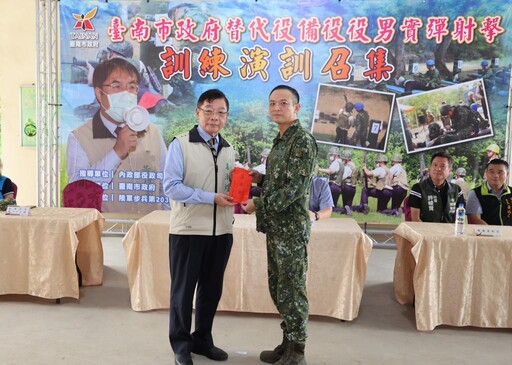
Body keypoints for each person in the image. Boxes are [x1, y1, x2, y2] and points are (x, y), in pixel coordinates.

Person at [241, 85, 317, 365]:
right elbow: (279, 182)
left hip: (291, 230)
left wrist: (258, 204)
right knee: (279, 287)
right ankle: (286, 343)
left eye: (283, 103)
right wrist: (258, 179)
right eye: (272, 103)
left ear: (296, 108)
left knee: (293, 287)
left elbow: (295, 189)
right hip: (276, 228)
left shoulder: (302, 141)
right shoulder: (281, 140)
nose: (276, 108)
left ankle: (297, 351)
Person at [163, 89, 236, 365]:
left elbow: (227, 186)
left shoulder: (229, 148)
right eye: (209, 110)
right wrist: (211, 198)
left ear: (226, 116)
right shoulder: (180, 144)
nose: (214, 117)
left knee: (211, 290)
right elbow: (171, 187)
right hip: (188, 230)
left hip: (221, 232)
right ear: (197, 112)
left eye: (220, 112)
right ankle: (181, 345)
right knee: (183, 292)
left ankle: (203, 339)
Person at [66, 57, 168, 213]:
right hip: (105, 232)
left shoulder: (152, 131)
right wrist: (116, 152)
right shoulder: (79, 137)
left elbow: (166, 186)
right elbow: (78, 195)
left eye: (132, 86)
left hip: (148, 231)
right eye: (116, 86)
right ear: (99, 94)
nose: (126, 93)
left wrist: (165, 224)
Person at [407, 151, 464, 222]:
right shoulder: (418, 188)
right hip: (426, 231)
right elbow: (415, 219)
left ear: (449, 170)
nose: (438, 169)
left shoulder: (456, 189)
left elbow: (460, 217)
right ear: (430, 167)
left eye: (442, 166)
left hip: (449, 231)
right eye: (435, 165)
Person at [466, 159, 512, 226]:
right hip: (486, 234)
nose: (496, 175)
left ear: (507, 174)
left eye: (500, 172)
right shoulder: (475, 193)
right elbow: (475, 220)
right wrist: (495, 234)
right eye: (492, 172)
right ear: (486, 173)